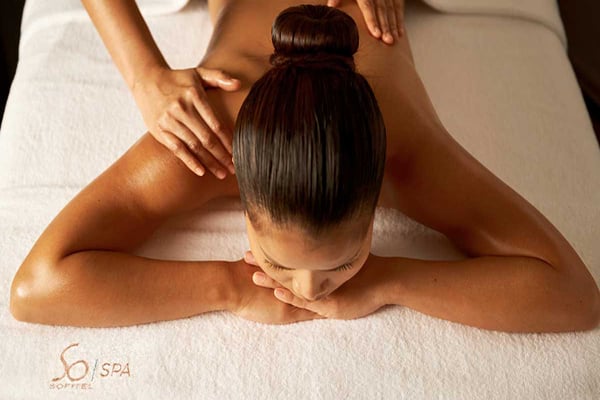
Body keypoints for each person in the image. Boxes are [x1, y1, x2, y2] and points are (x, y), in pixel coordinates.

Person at [9, 1, 600, 332]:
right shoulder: (211, 138)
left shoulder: (404, 153)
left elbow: (575, 293)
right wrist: (230, 287)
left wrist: (387, 279)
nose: (307, 292)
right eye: (276, 263)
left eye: (342, 262)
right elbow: (36, 287)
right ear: (238, 180)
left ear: (377, 191)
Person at [79, 0, 405, 179]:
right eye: (278, 266)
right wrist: (145, 76)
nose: (308, 281)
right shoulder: (213, 130)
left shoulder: (395, 141)